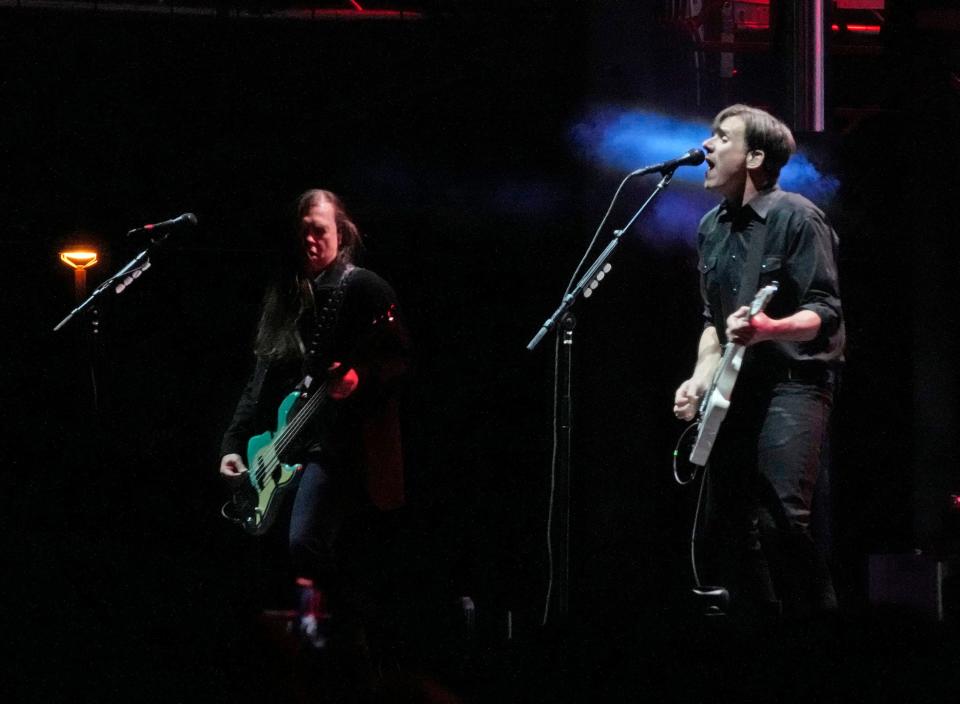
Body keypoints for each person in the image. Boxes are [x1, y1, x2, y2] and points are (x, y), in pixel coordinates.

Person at [219, 188, 411, 650]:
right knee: (261, 558)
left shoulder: (364, 288)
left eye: (319, 230)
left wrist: (359, 378)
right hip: (283, 446)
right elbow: (259, 380)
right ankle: (296, 648)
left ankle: (350, 635)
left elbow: (399, 358)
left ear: (340, 232)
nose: (310, 239)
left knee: (305, 543)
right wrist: (231, 443)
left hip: (340, 444)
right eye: (303, 231)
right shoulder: (285, 293)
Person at [673, 105, 843, 622]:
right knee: (732, 527)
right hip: (735, 390)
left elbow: (825, 312)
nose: (707, 146)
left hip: (792, 385)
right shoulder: (711, 228)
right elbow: (711, 319)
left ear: (754, 157)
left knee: (780, 521)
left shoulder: (796, 216)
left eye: (721, 137)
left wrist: (769, 329)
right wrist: (700, 376)